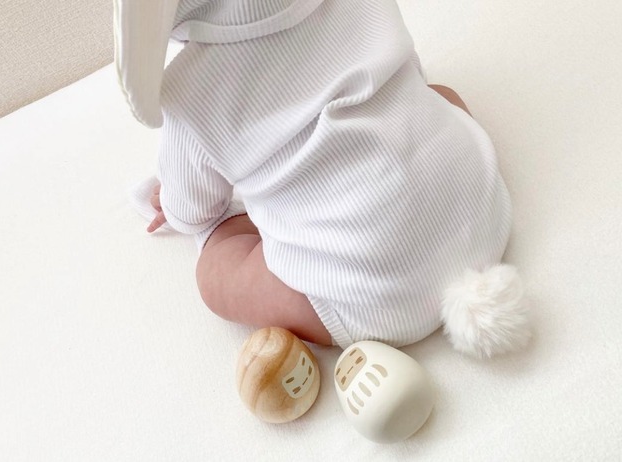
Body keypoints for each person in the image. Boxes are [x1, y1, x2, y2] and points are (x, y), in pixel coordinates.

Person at [118, 0, 528, 356]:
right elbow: (410, 66)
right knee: (437, 95)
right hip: (480, 213)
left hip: (374, 302)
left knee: (216, 275)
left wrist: (171, 201)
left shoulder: (189, 91)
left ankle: (255, 231)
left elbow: (192, 211)